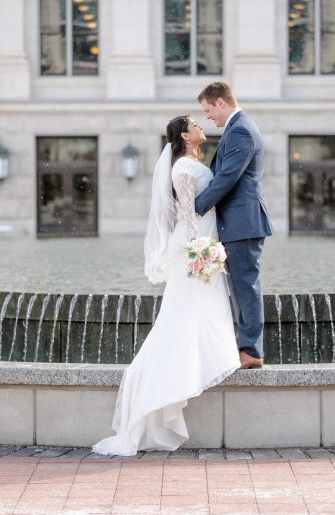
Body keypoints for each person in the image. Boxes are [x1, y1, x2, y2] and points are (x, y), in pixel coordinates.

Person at [93, 116, 240, 456]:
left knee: (194, 312)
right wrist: (199, 251)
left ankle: (198, 365)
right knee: (182, 315)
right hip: (195, 247)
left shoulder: (191, 161)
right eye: (195, 124)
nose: (202, 127)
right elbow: (187, 213)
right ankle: (165, 387)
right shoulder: (183, 169)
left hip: (202, 243)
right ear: (184, 136)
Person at [194, 82, 274, 369]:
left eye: (207, 110)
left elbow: (227, 178)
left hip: (243, 223)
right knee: (241, 287)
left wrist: (195, 207)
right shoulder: (238, 127)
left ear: (220, 102)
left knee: (246, 287)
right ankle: (246, 347)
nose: (208, 117)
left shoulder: (240, 129)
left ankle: (251, 350)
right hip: (239, 222)